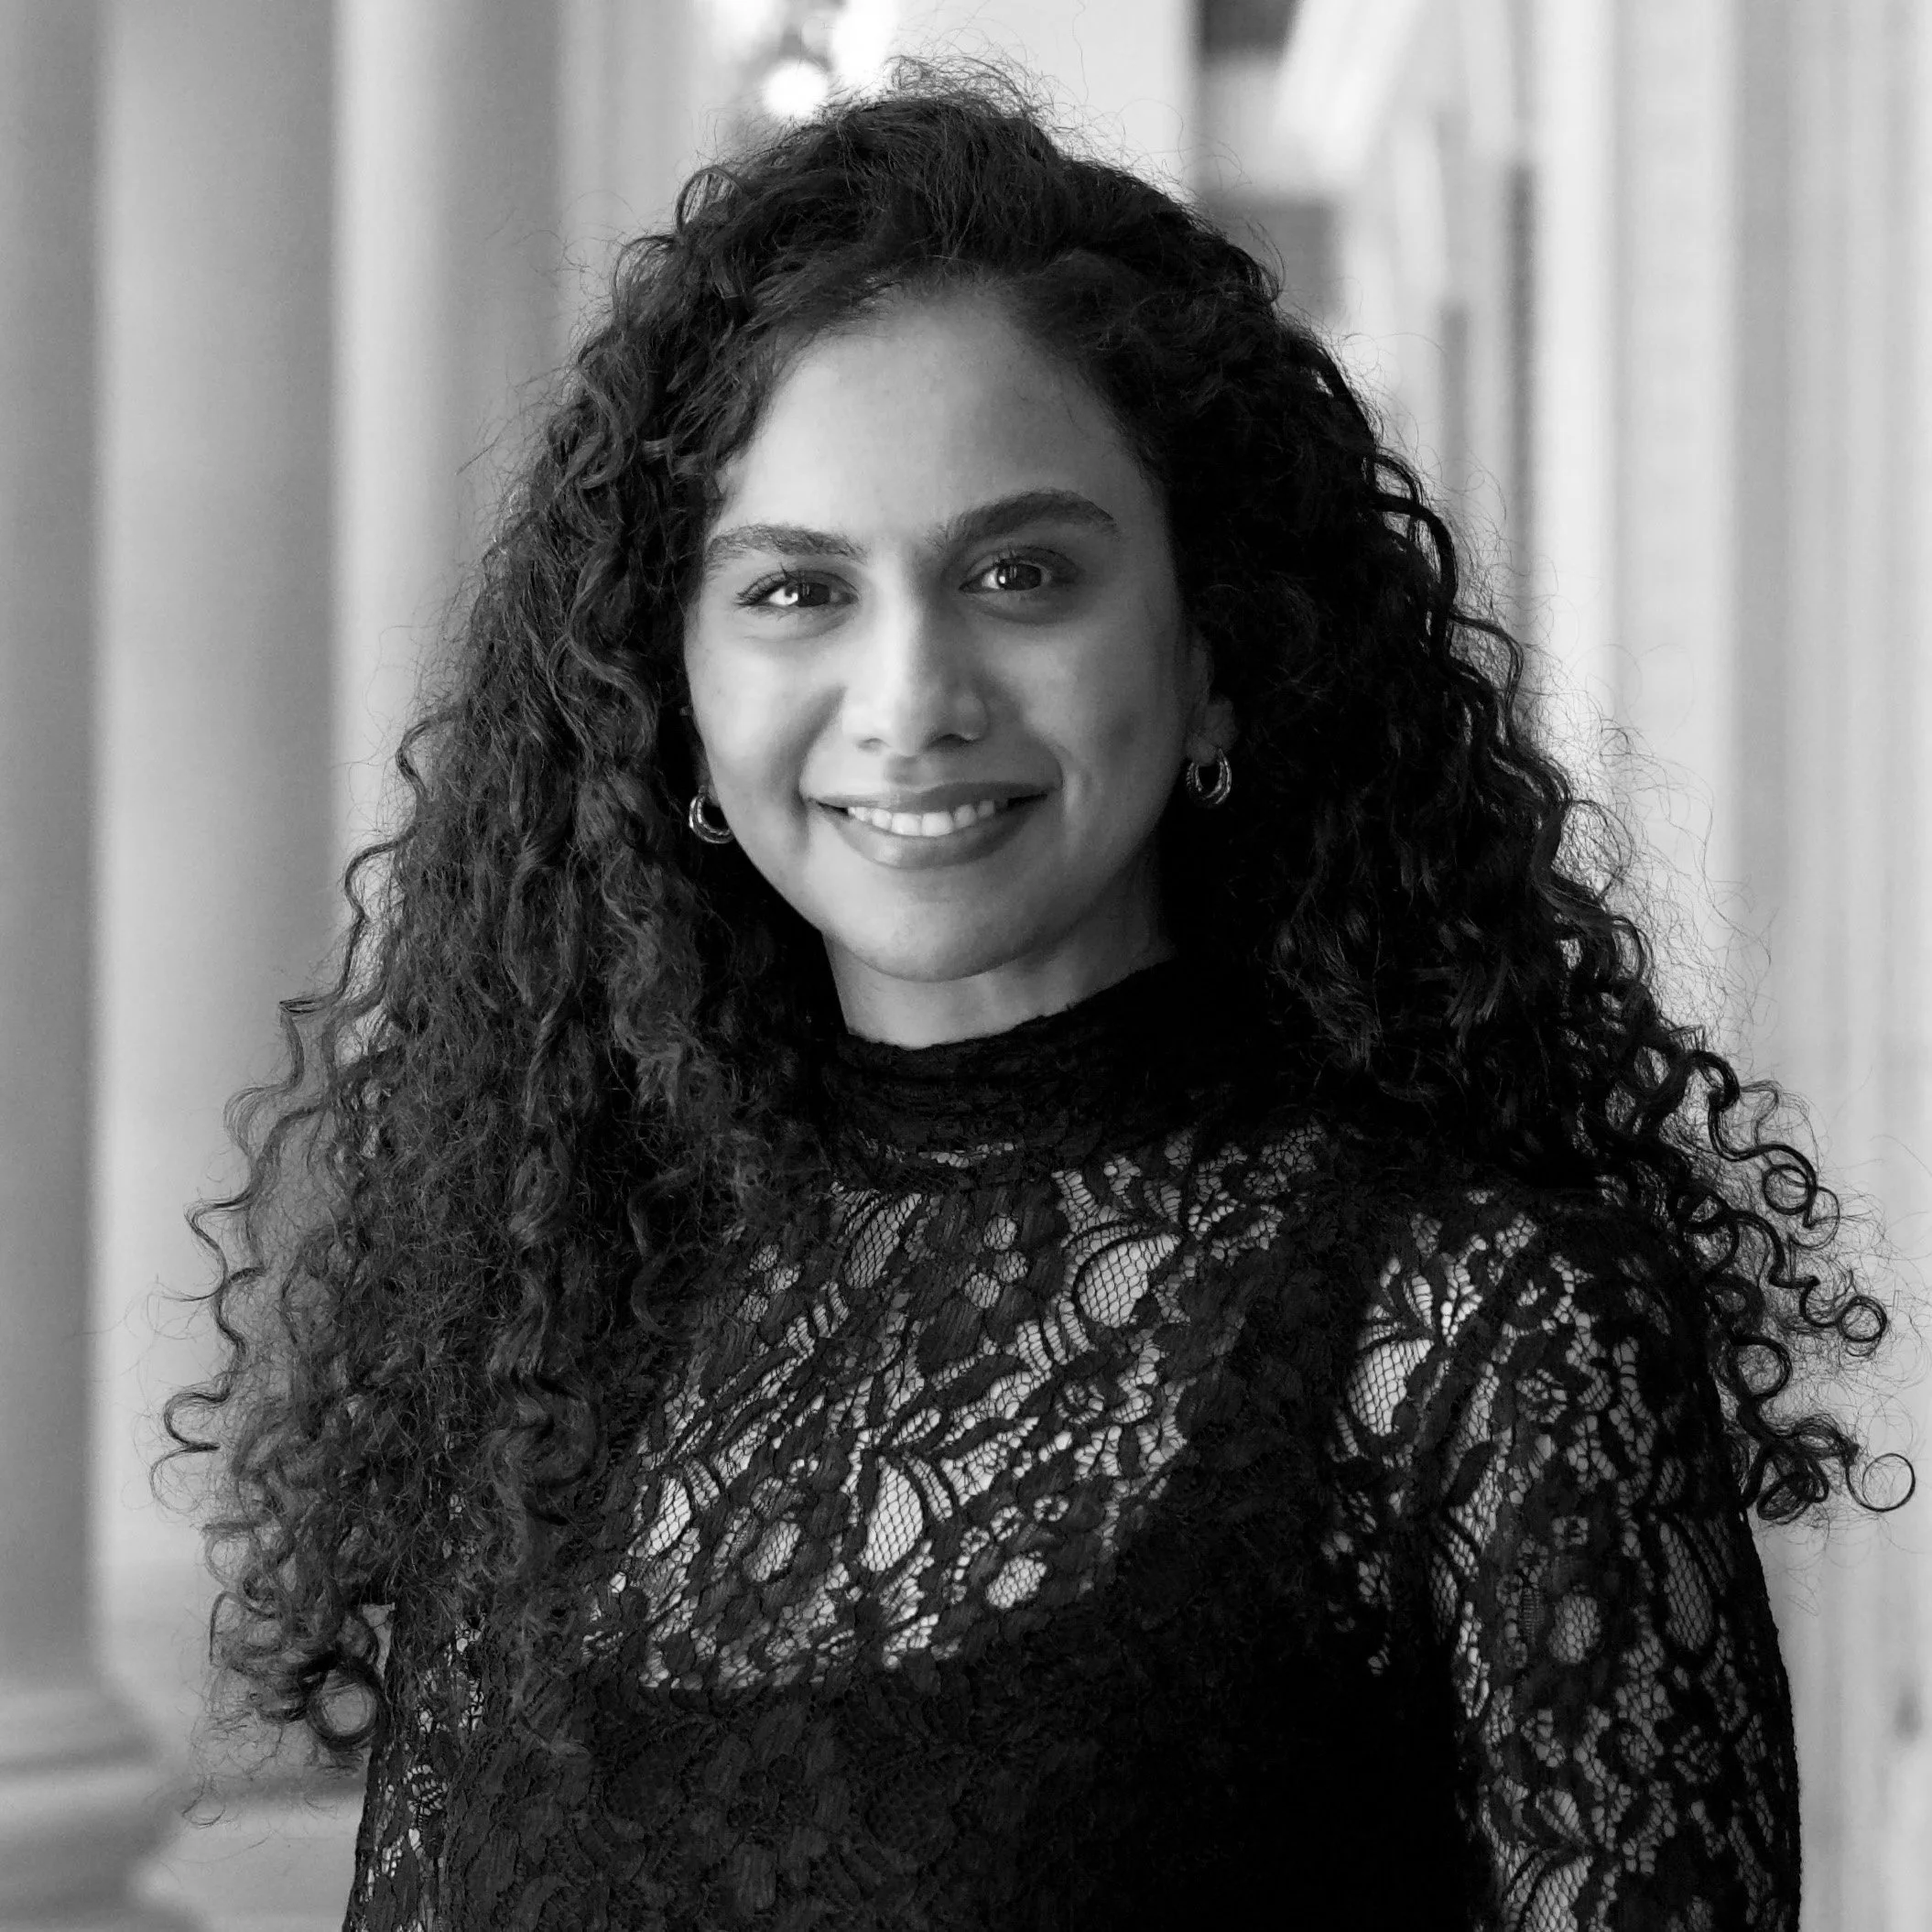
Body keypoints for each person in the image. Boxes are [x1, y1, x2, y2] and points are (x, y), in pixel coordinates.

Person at [163, 67, 1907, 1932]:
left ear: (1214, 645)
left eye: (1018, 572)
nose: (911, 693)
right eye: (794, 590)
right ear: (659, 698)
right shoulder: (563, 1323)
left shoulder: (1478, 1339)